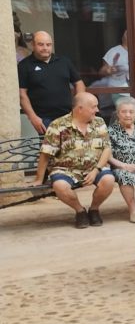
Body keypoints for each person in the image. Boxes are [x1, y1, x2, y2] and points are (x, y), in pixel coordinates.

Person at [35, 92, 116, 228]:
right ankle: (80, 211)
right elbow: (45, 153)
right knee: (60, 186)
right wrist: (38, 178)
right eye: (94, 107)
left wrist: (96, 170)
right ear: (80, 109)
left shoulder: (99, 122)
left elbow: (107, 149)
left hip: (94, 167)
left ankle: (94, 209)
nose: (97, 110)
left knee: (109, 180)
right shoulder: (58, 125)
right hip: (65, 169)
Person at [18, 30, 85, 134]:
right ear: (33, 45)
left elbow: (79, 83)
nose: (45, 48)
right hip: (42, 119)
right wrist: (33, 117)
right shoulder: (24, 65)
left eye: (48, 45)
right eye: (41, 44)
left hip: (67, 116)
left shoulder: (64, 61)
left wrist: (78, 107)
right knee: (47, 150)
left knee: (70, 149)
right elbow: (22, 94)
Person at [99, 31, 135, 103]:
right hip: (122, 94)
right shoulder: (114, 51)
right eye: (127, 33)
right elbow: (102, 71)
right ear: (122, 37)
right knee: (127, 114)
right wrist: (109, 70)